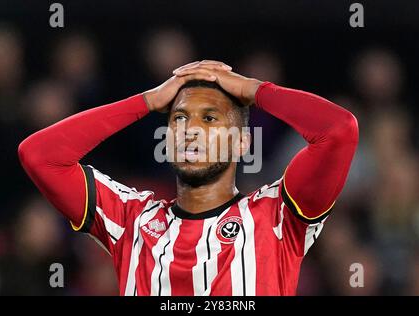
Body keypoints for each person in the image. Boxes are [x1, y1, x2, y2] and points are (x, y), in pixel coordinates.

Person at [18, 60, 359, 295]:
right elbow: (40, 156)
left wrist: (254, 89)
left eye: (210, 119)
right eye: (179, 118)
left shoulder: (276, 216)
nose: (190, 130)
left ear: (242, 142)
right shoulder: (131, 218)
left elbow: (338, 131)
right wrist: (148, 101)